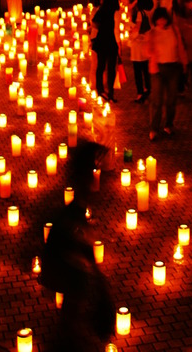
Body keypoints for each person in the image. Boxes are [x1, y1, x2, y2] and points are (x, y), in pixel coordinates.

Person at [39, 141, 115, 352]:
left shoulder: (78, 202)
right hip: (66, 266)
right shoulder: (76, 203)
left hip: (68, 263)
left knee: (73, 308)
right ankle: (65, 342)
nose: (96, 174)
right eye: (94, 168)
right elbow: (75, 236)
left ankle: (67, 339)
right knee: (73, 306)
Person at [145, 6, 187, 140]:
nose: (161, 22)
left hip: (173, 67)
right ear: (155, 20)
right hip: (158, 69)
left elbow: (180, 46)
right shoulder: (152, 33)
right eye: (159, 19)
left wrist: (184, 62)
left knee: (171, 99)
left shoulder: (174, 30)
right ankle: (154, 128)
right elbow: (146, 51)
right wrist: (151, 52)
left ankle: (169, 124)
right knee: (157, 100)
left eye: (163, 19)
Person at [91, 0, 120, 101]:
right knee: (111, 68)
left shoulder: (103, 9)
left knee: (101, 66)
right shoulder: (113, 10)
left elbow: (94, 23)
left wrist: (101, 28)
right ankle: (110, 92)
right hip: (110, 40)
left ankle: (101, 90)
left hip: (102, 39)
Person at [128, 0, 153, 103]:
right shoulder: (151, 12)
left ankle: (140, 93)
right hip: (147, 43)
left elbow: (136, 29)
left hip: (138, 46)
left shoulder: (140, 14)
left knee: (138, 71)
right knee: (146, 70)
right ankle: (148, 88)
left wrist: (130, 32)